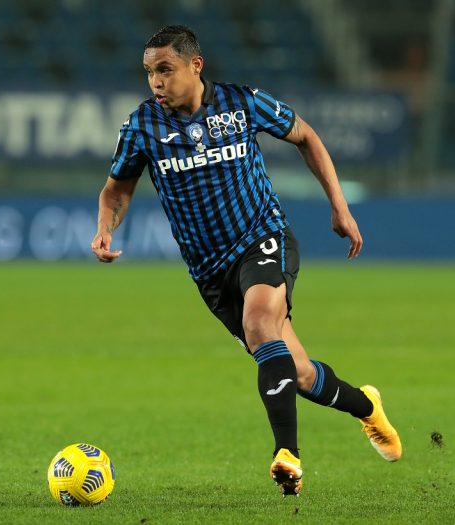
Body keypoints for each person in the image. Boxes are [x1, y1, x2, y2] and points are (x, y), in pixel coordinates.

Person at [91, 25, 402, 497]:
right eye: (149, 72)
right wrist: (105, 228)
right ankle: (367, 407)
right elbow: (116, 190)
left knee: (260, 324)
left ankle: (287, 455)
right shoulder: (142, 127)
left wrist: (340, 206)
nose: (156, 82)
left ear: (195, 65)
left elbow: (306, 136)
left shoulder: (242, 103)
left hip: (263, 237)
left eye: (165, 70)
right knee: (297, 372)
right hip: (210, 271)